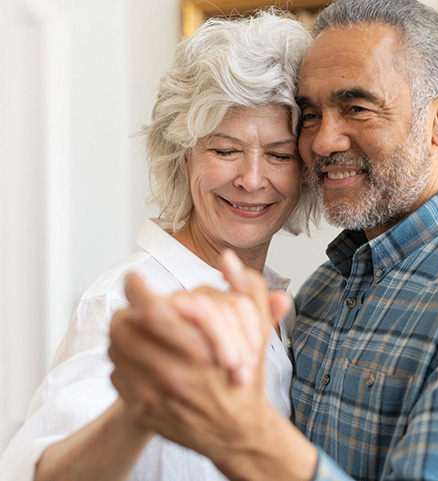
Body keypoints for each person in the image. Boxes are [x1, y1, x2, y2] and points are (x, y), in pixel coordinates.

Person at [108, 0, 438, 480]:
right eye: (311, 114)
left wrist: (243, 436)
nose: (322, 141)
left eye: (357, 107)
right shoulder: (322, 293)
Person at [0, 10, 318, 481]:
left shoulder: (284, 311)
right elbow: (41, 472)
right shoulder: (124, 305)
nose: (253, 179)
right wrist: (141, 407)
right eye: (225, 150)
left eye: (278, 155)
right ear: (182, 155)